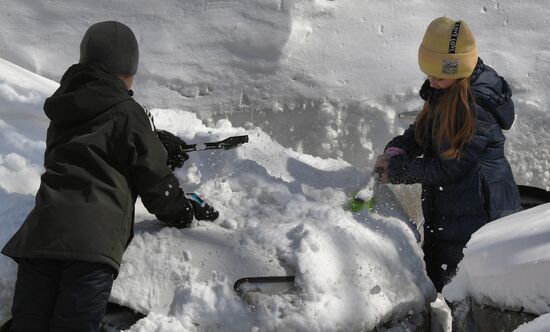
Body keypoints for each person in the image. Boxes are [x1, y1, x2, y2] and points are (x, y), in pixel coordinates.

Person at [1, 21, 218, 332]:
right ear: (127, 69)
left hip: (41, 237)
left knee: (28, 325)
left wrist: (153, 140)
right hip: (91, 245)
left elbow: (89, 149)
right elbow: (154, 177)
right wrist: (182, 211)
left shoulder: (65, 110)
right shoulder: (127, 110)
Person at [375, 17, 521, 292]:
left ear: (458, 70)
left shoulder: (475, 106)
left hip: (481, 216)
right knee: (450, 291)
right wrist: (400, 148)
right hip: (454, 211)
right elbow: (422, 130)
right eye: (427, 73)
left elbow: (449, 168)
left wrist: (398, 170)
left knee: (471, 296)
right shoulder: (446, 89)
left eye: (438, 75)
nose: (431, 80)